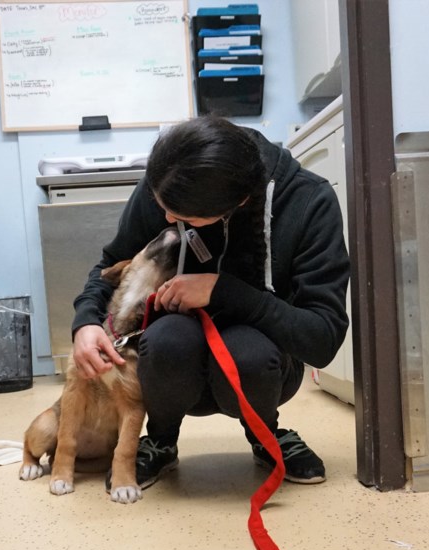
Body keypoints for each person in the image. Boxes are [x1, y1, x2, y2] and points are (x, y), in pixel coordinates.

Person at [70, 115, 350, 490]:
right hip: (169, 360)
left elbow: (323, 339)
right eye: (162, 206)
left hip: (264, 365)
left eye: (181, 217)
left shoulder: (308, 200)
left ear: (238, 203)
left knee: (245, 350)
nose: (166, 218)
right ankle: (161, 440)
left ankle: (265, 433)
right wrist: (86, 322)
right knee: (168, 338)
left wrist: (223, 291)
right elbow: (110, 264)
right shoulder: (169, 182)